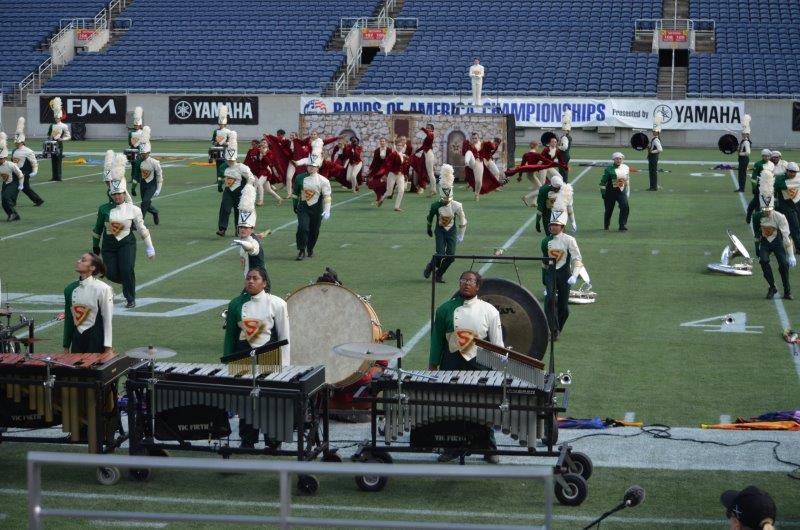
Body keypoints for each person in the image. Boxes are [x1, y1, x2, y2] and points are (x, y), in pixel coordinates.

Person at [429, 269, 501, 463]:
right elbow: (437, 341)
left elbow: (497, 343)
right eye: (463, 280)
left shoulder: (489, 310)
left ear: (478, 286)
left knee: (483, 407)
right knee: (452, 407)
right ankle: (452, 448)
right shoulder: (444, 309)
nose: (466, 283)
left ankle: (489, 447)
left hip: (480, 364)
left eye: (470, 281)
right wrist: (433, 364)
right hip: (452, 363)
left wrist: (498, 368)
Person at [223, 267, 290, 448]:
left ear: (264, 283)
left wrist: (285, 365)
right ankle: (247, 440)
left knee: (271, 401)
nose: (250, 281)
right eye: (248, 278)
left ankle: (273, 440)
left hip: (270, 355)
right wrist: (228, 360)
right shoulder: (235, 303)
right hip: (243, 355)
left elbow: (284, 336)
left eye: (255, 278)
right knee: (246, 401)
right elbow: (230, 335)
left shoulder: (277, 303)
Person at [92, 174, 156, 309]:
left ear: (124, 194)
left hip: (126, 243)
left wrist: (150, 248)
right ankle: (128, 281)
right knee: (109, 272)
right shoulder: (103, 209)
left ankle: (130, 298)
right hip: (109, 245)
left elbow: (142, 229)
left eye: (119, 194)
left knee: (127, 269)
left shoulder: (134, 209)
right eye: (114, 194)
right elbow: (98, 229)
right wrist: (95, 246)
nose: (117, 197)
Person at [541, 194, 585, 335]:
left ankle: (558, 327)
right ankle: (553, 330)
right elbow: (545, 262)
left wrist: (574, 275)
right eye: (551, 225)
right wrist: (544, 278)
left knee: (564, 308)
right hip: (551, 273)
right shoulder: (545, 241)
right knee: (549, 300)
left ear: (562, 226)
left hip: (565, 274)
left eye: (556, 225)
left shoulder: (569, 240)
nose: (553, 227)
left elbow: (577, 259)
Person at [751, 170, 796, 299]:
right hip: (765, 242)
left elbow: (786, 236)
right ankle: (772, 286)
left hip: (777, 242)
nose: (766, 213)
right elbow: (757, 234)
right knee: (763, 261)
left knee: (784, 265)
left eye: (769, 210)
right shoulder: (757, 217)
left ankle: (787, 291)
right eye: (764, 210)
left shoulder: (780, 217)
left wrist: (791, 254)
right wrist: (757, 248)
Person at [62, 253, 114, 354]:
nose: (78, 261)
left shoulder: (103, 289)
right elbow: (69, 319)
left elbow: (107, 319)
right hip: (77, 339)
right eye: (79, 259)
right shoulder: (69, 289)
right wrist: (66, 346)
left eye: (83, 260)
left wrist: (108, 347)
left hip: (97, 339)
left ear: (92, 267)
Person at [424, 164, 466, 283]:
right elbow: (430, 218)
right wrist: (429, 228)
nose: (446, 202)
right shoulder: (435, 206)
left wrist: (461, 235)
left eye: (448, 199)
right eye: (444, 200)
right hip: (440, 231)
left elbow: (463, 220)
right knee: (440, 254)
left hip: (451, 232)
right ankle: (431, 266)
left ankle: (439, 274)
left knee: (451, 257)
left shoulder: (457, 205)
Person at [231, 182, 270, 286]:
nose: (243, 230)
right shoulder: (250, 236)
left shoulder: (252, 241)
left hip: (260, 285)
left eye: (246, 228)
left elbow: (253, 249)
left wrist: (245, 244)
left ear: (251, 229)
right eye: (241, 227)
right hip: (251, 283)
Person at [217, 131, 255, 237]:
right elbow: (220, 176)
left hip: (240, 191)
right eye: (228, 160)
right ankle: (222, 228)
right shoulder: (223, 167)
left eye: (231, 159)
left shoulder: (241, 167)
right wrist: (220, 184)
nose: (230, 161)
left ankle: (238, 229)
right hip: (228, 190)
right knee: (225, 208)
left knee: (239, 210)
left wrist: (248, 188)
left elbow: (251, 178)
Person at [293, 158, 331, 261]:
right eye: (309, 165)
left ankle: (310, 249)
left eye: (313, 166)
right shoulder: (299, 178)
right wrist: (295, 205)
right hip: (303, 207)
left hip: (317, 208)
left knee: (314, 231)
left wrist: (327, 210)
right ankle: (301, 250)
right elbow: (295, 193)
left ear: (318, 167)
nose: (311, 168)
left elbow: (327, 196)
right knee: (302, 227)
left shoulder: (323, 180)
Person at [12, 117, 44, 207]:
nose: (16, 143)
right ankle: (38, 200)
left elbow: (34, 162)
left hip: (24, 172)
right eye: (16, 142)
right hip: (16, 171)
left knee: (18, 186)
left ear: (22, 142)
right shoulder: (14, 150)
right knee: (25, 188)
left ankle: (12, 202)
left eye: (18, 142)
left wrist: (35, 171)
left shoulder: (28, 151)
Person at [137, 127, 163, 225]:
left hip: (152, 185)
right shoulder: (139, 161)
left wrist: (158, 189)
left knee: (144, 202)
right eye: (141, 153)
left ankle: (140, 222)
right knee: (146, 203)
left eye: (144, 153)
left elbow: (159, 176)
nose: (142, 155)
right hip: (143, 184)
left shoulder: (155, 162)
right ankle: (155, 212)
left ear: (148, 152)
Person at [599, 152, 630, 231]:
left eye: (620, 159)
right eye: (617, 159)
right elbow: (603, 182)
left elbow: (626, 179)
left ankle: (622, 225)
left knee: (625, 207)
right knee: (609, 210)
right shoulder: (609, 169)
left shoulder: (626, 167)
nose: (618, 160)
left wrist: (627, 190)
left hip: (621, 191)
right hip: (610, 191)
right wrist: (603, 193)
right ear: (613, 159)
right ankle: (606, 225)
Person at [773, 162, 800, 251]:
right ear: (787, 171)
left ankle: (798, 247)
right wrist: (795, 183)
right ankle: (777, 247)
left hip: (795, 205)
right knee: (782, 228)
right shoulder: (780, 178)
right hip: (783, 206)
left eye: (794, 172)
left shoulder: (797, 177)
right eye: (791, 171)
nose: (793, 174)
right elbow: (780, 185)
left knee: (795, 227)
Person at [377, 137, 408, 211]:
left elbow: (404, 166)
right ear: (395, 146)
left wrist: (405, 174)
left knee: (401, 190)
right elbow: (388, 164)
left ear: (403, 146)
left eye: (401, 145)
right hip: (392, 174)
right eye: (398, 145)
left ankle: (396, 207)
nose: (399, 147)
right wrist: (385, 174)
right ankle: (382, 198)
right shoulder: (393, 154)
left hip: (400, 175)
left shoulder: (403, 155)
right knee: (389, 192)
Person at [746, 149, 774, 224]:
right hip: (760, 186)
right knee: (756, 202)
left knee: (765, 202)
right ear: (762, 156)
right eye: (765, 156)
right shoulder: (758, 164)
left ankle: (759, 217)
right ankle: (749, 215)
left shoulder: (771, 164)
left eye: (768, 156)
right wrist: (754, 187)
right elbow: (754, 177)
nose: (766, 157)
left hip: (769, 187)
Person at [0, 132, 24, 222]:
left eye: (1, 158)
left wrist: (21, 185)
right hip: (5, 183)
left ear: (5, 158)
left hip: (13, 183)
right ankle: (13, 214)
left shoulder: (11, 165)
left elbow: (20, 174)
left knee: (6, 197)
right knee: (3, 201)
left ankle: (13, 214)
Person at [47, 97, 70, 182]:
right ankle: (54, 176)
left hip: (59, 144)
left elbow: (69, 136)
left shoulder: (64, 126)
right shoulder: (52, 125)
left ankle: (59, 177)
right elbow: (49, 135)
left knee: (58, 160)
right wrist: (49, 138)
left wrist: (62, 139)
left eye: (57, 118)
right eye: (55, 118)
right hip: (52, 144)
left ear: (60, 117)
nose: (56, 119)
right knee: (53, 160)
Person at [413, 124, 437, 196]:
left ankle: (434, 190)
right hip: (426, 154)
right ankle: (433, 190)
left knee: (430, 173)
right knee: (430, 173)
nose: (427, 129)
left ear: (432, 130)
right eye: (427, 128)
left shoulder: (431, 135)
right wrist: (417, 151)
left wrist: (423, 129)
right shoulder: (428, 136)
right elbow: (424, 146)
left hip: (429, 154)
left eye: (428, 128)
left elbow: (428, 135)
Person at [211, 105, 231, 179]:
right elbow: (212, 141)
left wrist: (226, 143)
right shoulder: (216, 131)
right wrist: (215, 143)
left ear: (225, 124)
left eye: (222, 124)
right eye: (220, 124)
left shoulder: (228, 131)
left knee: (225, 165)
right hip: (217, 149)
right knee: (218, 165)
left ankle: (225, 178)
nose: (221, 125)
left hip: (225, 150)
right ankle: (218, 179)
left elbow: (231, 141)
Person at [128, 106, 144, 196]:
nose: (136, 126)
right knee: (133, 165)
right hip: (133, 150)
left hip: (140, 151)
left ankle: (139, 178)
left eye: (137, 125)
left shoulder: (143, 132)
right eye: (135, 125)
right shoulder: (131, 133)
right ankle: (132, 178)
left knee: (139, 165)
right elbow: (130, 142)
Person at [647, 111, 663, 191]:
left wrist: (651, 152)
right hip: (652, 158)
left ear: (657, 132)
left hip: (653, 158)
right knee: (652, 172)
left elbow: (660, 149)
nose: (653, 132)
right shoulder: (655, 139)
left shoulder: (656, 139)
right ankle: (653, 186)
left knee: (653, 172)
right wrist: (649, 147)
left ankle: (654, 187)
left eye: (654, 131)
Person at [736, 114, 751, 193]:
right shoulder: (744, 141)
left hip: (744, 159)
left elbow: (748, 152)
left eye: (744, 134)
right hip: (743, 159)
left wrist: (740, 153)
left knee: (742, 174)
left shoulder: (746, 142)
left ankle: (742, 188)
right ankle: (741, 187)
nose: (742, 135)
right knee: (741, 173)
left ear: (747, 134)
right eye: (742, 134)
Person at [558, 110, 572, 181]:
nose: (563, 131)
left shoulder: (564, 137)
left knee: (562, 172)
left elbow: (564, 147)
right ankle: (565, 183)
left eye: (564, 130)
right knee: (564, 171)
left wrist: (558, 147)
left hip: (563, 156)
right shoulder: (569, 137)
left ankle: (564, 183)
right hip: (566, 155)